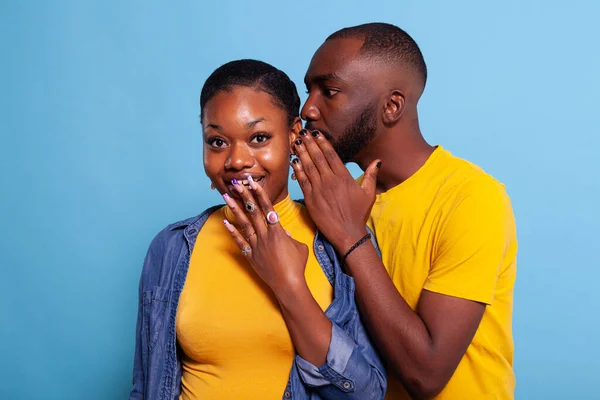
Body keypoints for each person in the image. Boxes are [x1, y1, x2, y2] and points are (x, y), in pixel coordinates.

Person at [129, 59, 387, 400]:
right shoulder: (172, 248)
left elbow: (367, 394)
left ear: (294, 135)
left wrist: (288, 283)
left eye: (259, 138)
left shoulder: (337, 240)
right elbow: (145, 386)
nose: (236, 160)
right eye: (217, 142)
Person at [290, 23, 518, 399]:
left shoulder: (472, 198)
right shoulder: (333, 202)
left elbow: (426, 374)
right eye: (308, 90)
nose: (308, 108)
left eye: (329, 92)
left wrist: (350, 235)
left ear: (392, 106)